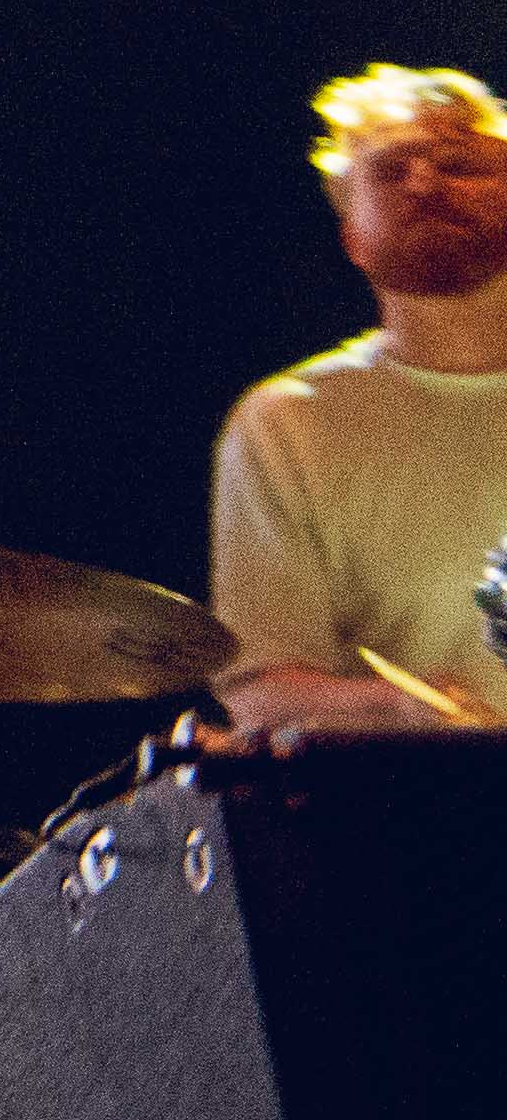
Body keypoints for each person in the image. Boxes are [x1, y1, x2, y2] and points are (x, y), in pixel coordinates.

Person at [202, 57, 507, 739]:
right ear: (352, 238)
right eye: (391, 172)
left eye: (459, 164)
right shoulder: (288, 422)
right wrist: (402, 710)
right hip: (423, 796)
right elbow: (262, 690)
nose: (425, 183)